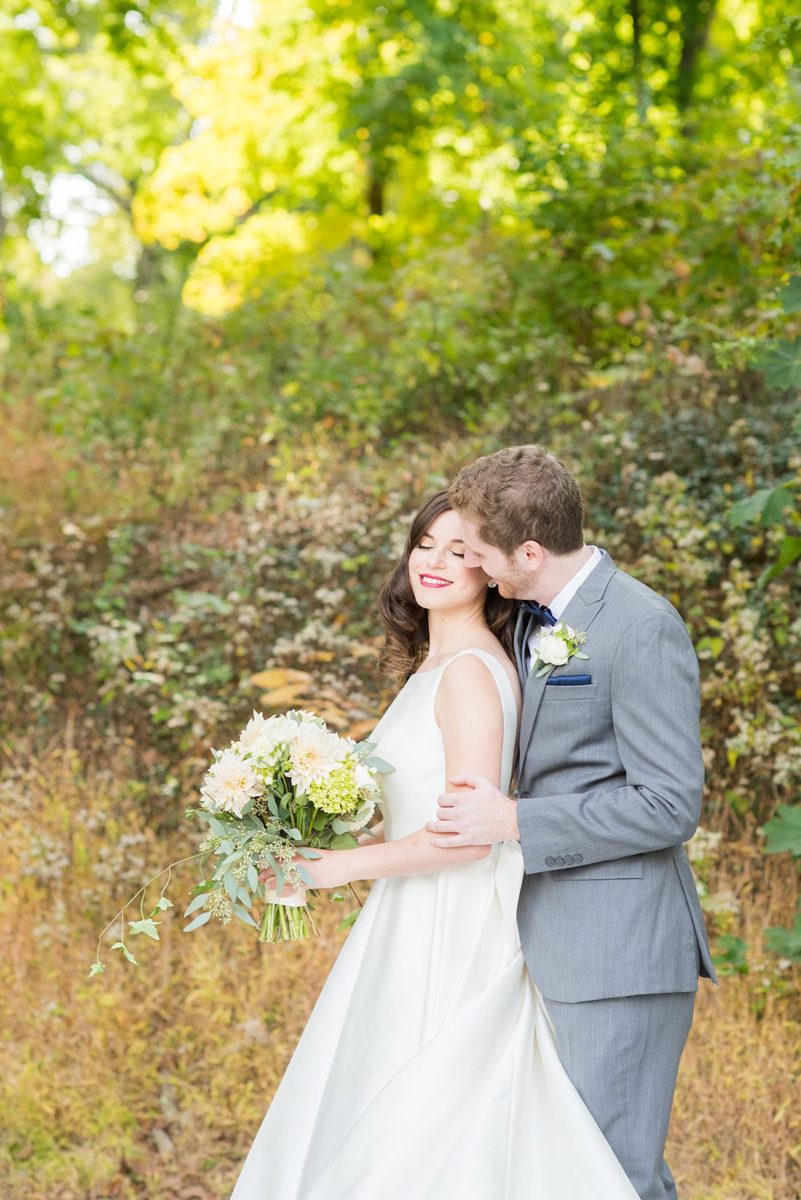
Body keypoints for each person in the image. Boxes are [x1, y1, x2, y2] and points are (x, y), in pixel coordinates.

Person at [229, 490, 638, 1199]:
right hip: (409, 913)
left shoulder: (471, 674)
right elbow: (430, 806)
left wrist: (333, 868)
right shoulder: (433, 667)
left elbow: (465, 840)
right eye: (426, 544)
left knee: (423, 1127)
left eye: (461, 551)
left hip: (449, 923)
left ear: (491, 569)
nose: (437, 562)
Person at [424, 445, 717, 1200]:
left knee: (608, 1174)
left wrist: (515, 819)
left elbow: (668, 803)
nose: (475, 570)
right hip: (540, 936)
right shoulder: (527, 618)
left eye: (481, 555)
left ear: (528, 550)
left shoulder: (638, 624)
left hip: (619, 949)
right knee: (559, 1167)